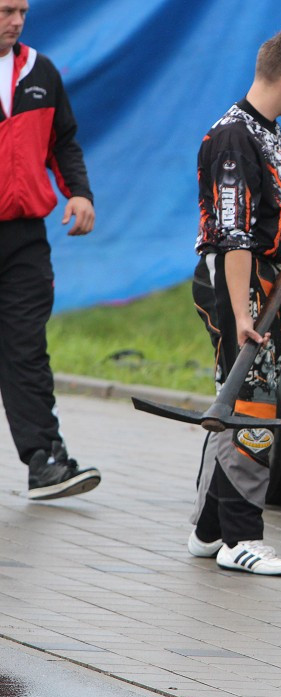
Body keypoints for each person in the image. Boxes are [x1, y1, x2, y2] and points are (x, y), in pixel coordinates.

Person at [188, 31, 281, 576]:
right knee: (251, 405)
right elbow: (233, 237)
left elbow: (265, 212)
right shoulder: (232, 137)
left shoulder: (267, 130)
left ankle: (207, 531)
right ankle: (240, 539)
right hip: (236, 283)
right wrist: (243, 314)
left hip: (260, 282)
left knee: (233, 400)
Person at [0, 0, 101, 501]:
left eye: (21, 11)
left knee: (25, 348)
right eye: (5, 11)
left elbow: (63, 143)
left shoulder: (42, 70)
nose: (16, 21)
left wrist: (79, 194)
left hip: (23, 238)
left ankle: (44, 461)